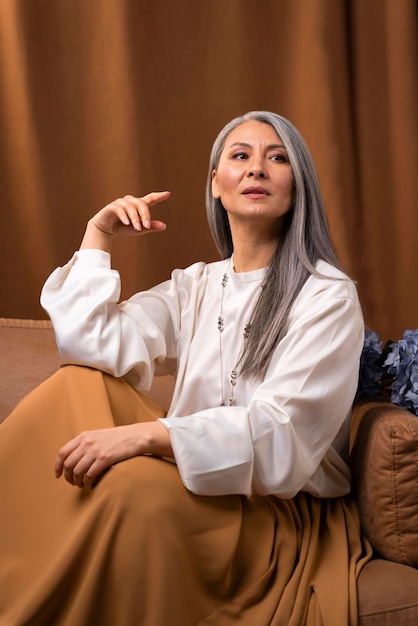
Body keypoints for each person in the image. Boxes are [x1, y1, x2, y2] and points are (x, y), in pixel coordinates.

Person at [0, 111, 371, 626]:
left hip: (269, 509)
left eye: (277, 157)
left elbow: (282, 438)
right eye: (240, 156)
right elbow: (91, 347)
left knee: (127, 492)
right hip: (189, 482)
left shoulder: (328, 295)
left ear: (298, 185)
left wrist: (146, 436)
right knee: (76, 382)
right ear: (216, 186)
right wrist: (97, 236)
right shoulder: (195, 284)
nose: (257, 169)